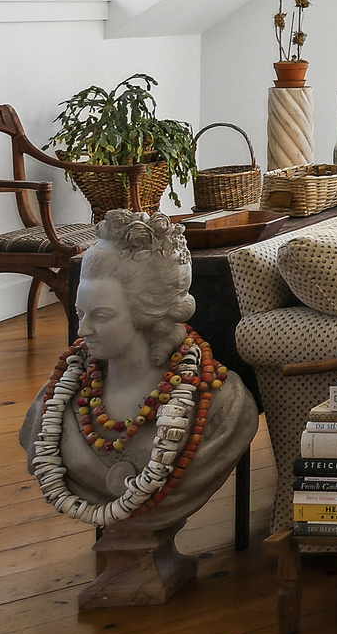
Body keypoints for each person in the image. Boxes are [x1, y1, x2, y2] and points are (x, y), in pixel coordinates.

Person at [18, 209, 256, 531]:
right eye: (79, 313)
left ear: (147, 316)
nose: (82, 331)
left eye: (101, 316)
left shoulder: (224, 405)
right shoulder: (54, 403)